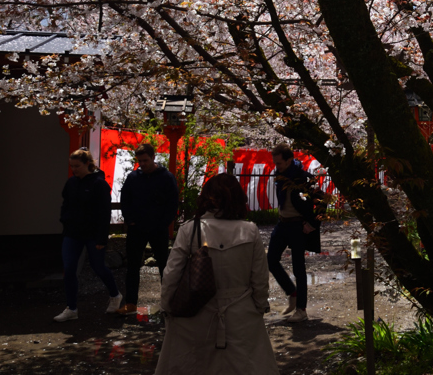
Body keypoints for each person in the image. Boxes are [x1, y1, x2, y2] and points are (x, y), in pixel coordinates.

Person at [155, 173, 278, 375]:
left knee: (195, 365)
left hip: (196, 310)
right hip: (241, 312)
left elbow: (172, 273)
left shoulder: (190, 229)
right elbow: (259, 277)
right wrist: (259, 306)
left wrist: (167, 306)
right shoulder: (250, 230)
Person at [54, 149, 122, 322]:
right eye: (72, 166)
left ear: (87, 164)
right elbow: (66, 204)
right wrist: (65, 220)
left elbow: (104, 213)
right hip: (73, 232)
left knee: (98, 267)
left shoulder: (99, 184)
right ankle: (71, 308)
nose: (74, 169)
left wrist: (101, 238)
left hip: (92, 234)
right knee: (69, 268)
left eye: (77, 166)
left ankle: (115, 294)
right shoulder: (71, 183)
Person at [117, 143, 179, 315]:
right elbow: (125, 199)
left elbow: (172, 203)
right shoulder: (133, 178)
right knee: (133, 266)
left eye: (145, 160)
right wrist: (130, 219)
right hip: (138, 227)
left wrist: (164, 222)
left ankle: (167, 302)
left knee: (164, 265)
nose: (142, 164)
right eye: (140, 161)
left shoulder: (166, 177)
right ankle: (131, 302)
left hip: (157, 227)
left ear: (153, 158)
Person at [267, 142, 321, 323]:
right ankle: (292, 292)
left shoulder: (304, 178)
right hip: (282, 223)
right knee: (271, 260)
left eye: (279, 163)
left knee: (299, 267)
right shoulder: (279, 176)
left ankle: (301, 309)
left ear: (290, 160)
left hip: (298, 225)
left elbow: (322, 202)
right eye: (275, 163)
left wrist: (312, 223)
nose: (277, 167)